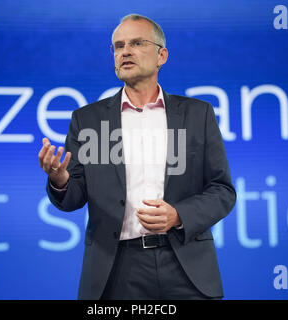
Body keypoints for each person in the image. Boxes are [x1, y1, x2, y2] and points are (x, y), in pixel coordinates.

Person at [38, 14, 236, 300]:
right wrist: (60, 179)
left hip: (186, 268)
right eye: (118, 47)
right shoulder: (88, 120)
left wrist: (179, 215)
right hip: (116, 271)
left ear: (161, 55)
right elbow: (74, 197)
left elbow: (222, 191)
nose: (125, 52)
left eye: (136, 43)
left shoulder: (198, 114)